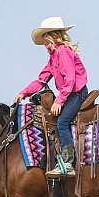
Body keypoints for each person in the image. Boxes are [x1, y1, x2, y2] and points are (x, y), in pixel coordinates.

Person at [14, 17, 89, 177]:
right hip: (69, 93)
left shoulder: (63, 52)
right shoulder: (53, 57)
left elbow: (70, 79)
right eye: (44, 44)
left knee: (62, 122)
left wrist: (60, 100)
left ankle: (68, 163)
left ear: (55, 38)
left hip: (77, 92)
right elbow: (41, 80)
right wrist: (24, 93)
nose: (46, 47)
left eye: (47, 42)